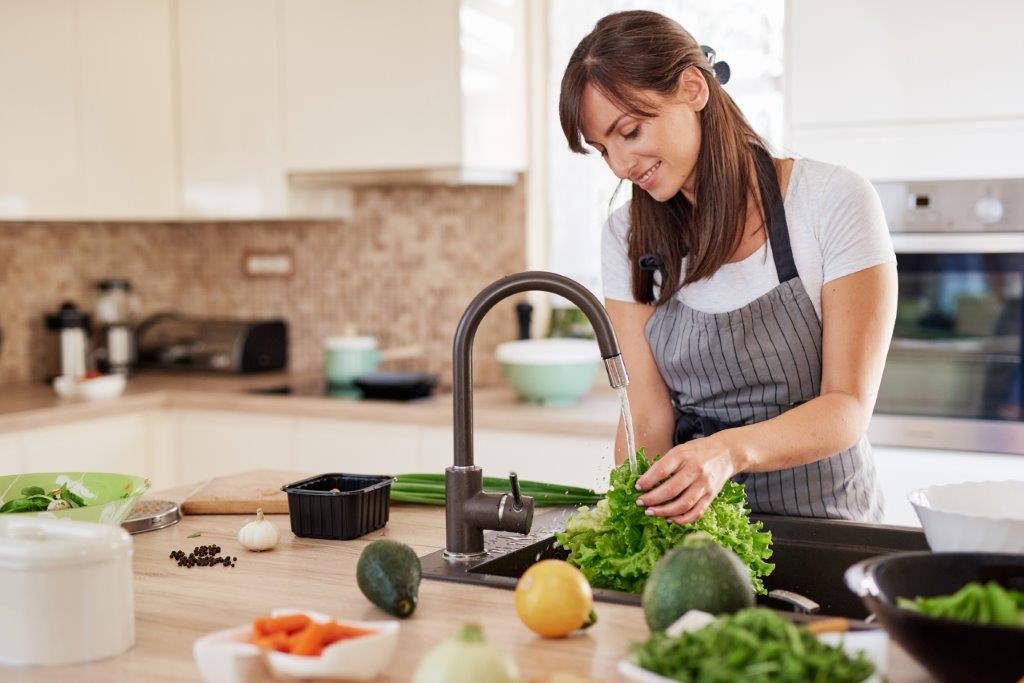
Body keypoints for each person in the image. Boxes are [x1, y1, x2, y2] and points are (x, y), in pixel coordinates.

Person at [559, 10, 897, 523]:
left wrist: (727, 451)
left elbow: (846, 406)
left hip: (831, 526)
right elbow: (647, 416)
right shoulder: (627, 235)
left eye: (629, 131)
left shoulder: (832, 200)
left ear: (693, 88)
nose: (621, 166)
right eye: (603, 149)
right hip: (698, 536)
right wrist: (632, 518)